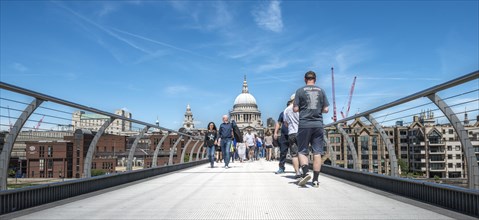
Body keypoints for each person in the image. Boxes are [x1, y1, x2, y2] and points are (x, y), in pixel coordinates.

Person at [294, 71, 329, 188]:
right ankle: (315, 180)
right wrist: (318, 110)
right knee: (317, 152)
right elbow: (326, 109)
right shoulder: (321, 90)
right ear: (315, 79)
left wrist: (304, 109)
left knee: (302, 150)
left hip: (304, 124)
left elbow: (295, 109)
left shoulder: (299, 91)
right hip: (318, 124)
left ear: (305, 79)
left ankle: (305, 172)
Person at [283, 94, 301, 179]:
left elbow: (285, 123)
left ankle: (297, 172)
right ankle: (304, 171)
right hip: (301, 132)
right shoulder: (300, 108)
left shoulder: (286, 110)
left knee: (294, 154)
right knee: (303, 152)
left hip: (291, 133)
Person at [274, 105, 289, 174]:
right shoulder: (283, 113)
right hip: (284, 135)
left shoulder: (298, 112)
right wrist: (275, 132)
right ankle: (281, 167)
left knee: (296, 152)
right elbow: (278, 123)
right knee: (283, 152)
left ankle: (299, 169)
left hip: (295, 134)